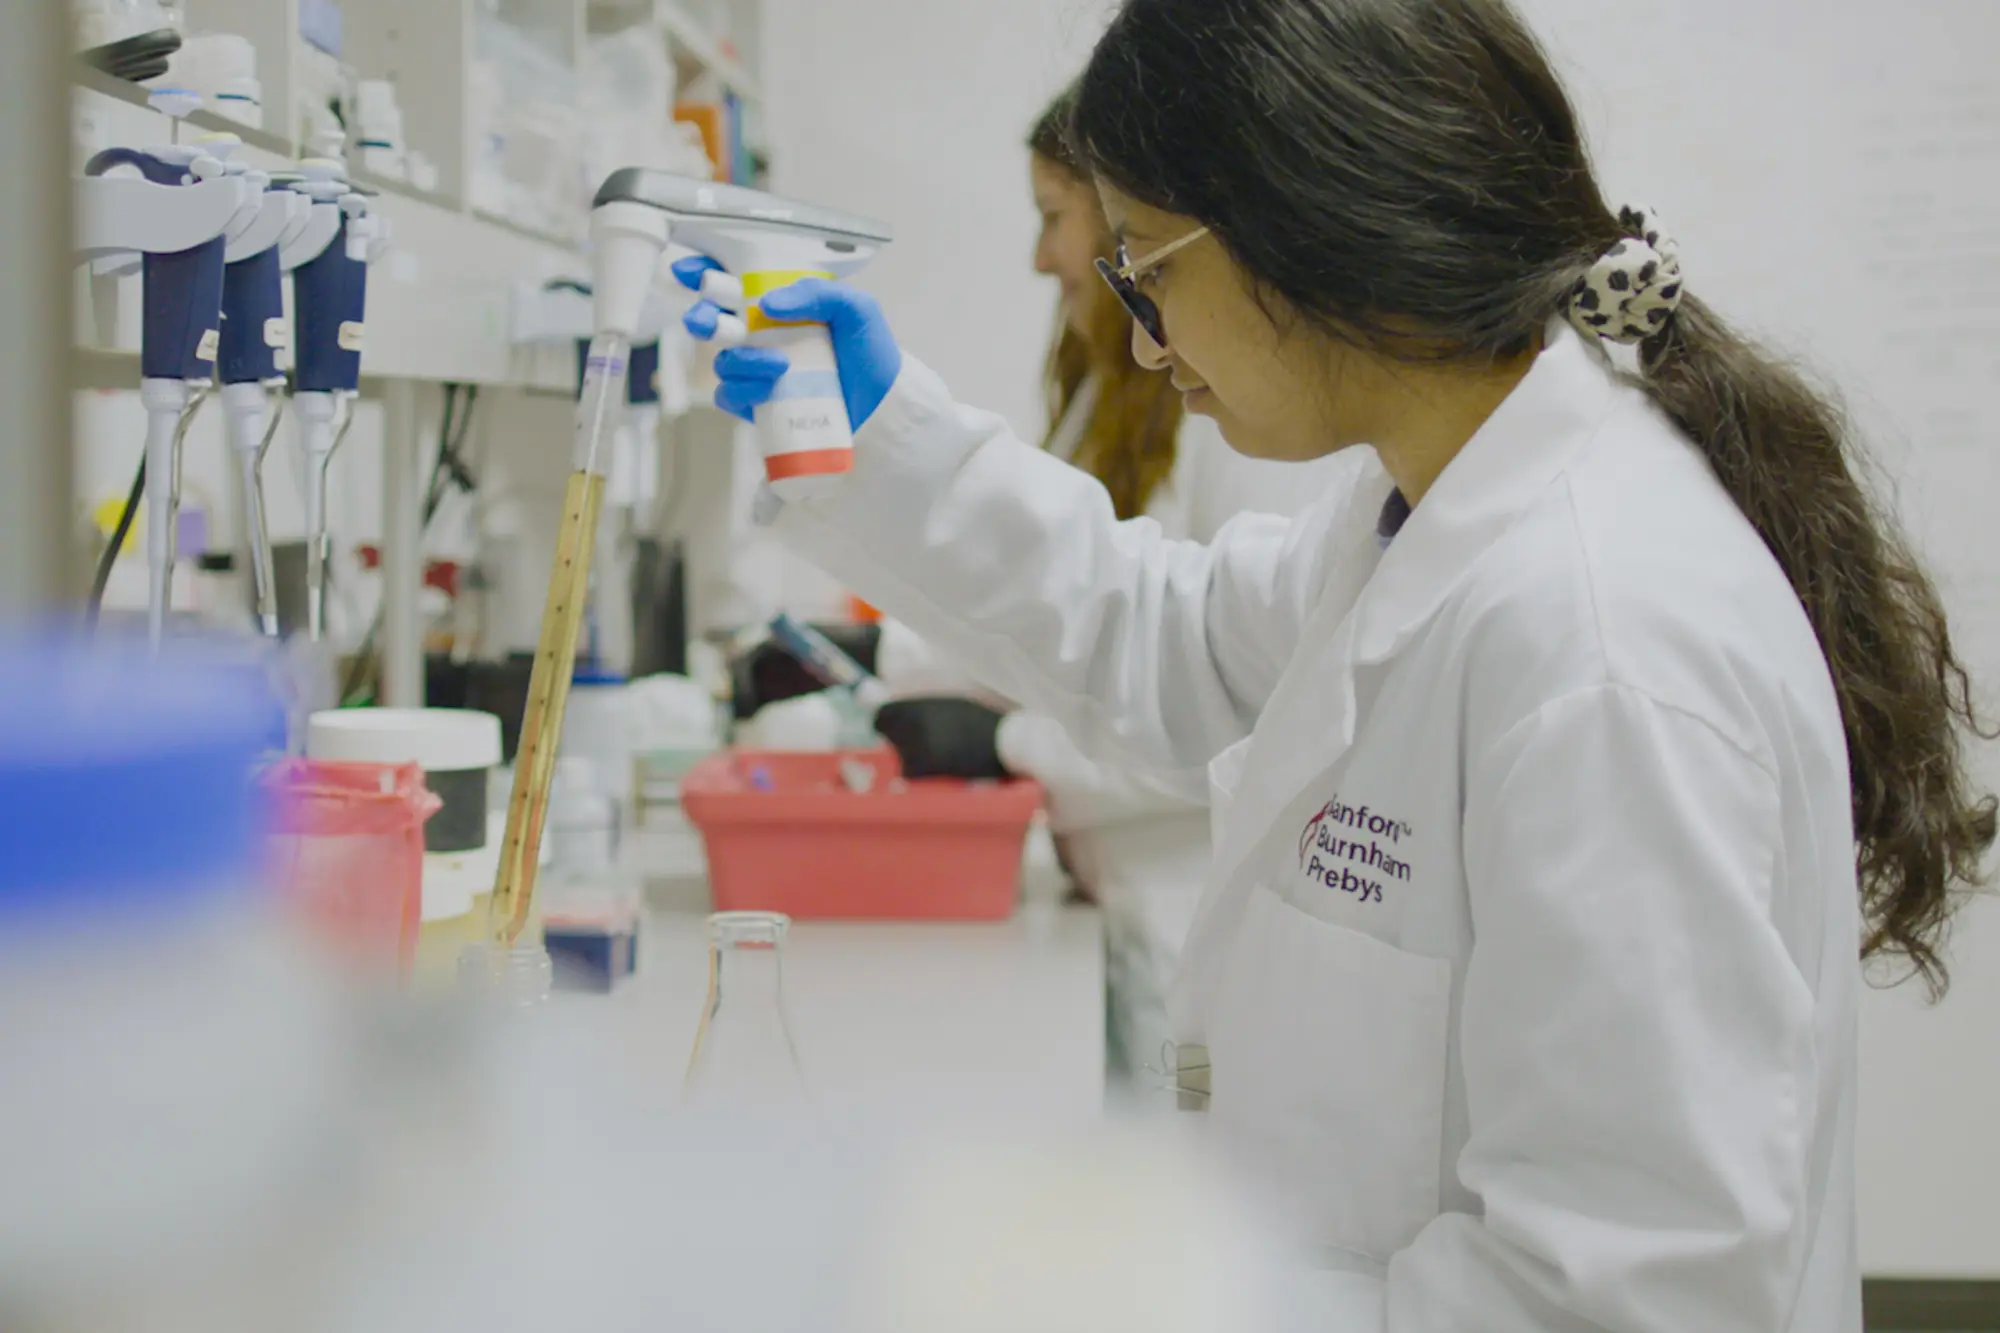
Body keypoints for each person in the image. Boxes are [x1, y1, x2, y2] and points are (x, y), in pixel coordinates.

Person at [678, 0, 1997, 1327]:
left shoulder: (1602, 649)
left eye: (1148, 267)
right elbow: (1169, 636)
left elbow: (1625, 1297)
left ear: (1307, 224)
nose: (1142, 337)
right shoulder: (1418, 515)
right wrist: (884, 436)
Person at [865, 87, 1350, 1088]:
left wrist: (1003, 743)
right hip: (1114, 894)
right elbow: (1068, 591)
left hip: (1186, 905)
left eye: (1056, 219)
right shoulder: (1113, 385)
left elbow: (1223, 691)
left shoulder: (1251, 427)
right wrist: (881, 655)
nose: (1046, 259)